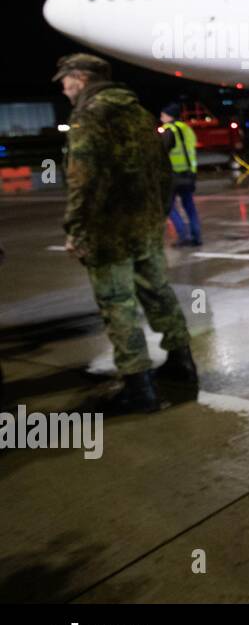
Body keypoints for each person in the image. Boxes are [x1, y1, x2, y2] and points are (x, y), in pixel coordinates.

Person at [55, 53, 198, 412]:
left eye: (66, 79)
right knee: (157, 291)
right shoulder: (139, 113)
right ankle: (181, 362)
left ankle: (138, 386)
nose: (63, 86)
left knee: (117, 302)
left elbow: (81, 179)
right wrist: (156, 214)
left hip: (108, 228)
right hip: (145, 224)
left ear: (82, 78)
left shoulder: (89, 116)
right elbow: (162, 170)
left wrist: (75, 228)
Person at [160, 103, 202, 246]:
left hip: (173, 175)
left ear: (168, 116)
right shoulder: (187, 129)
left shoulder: (169, 130)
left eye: (163, 115)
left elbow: (162, 152)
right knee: (190, 206)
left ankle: (183, 236)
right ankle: (197, 236)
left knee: (169, 207)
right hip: (189, 174)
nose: (161, 118)